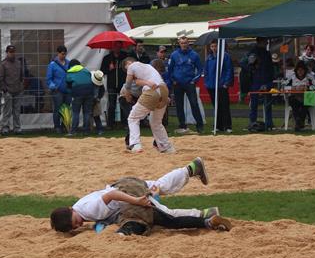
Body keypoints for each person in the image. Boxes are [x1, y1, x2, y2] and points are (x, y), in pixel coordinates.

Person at [49, 158, 231, 235]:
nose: (79, 224)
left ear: (71, 210)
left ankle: (204, 215)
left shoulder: (87, 210)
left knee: (166, 215)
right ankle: (191, 168)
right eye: (75, 227)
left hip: (126, 193)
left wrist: (136, 200)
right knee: (158, 186)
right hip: (125, 185)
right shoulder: (79, 207)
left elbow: (111, 196)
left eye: (75, 221)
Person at [121, 57, 173, 154]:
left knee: (133, 118)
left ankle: (135, 145)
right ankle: (166, 147)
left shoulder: (131, 67)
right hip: (164, 90)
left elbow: (128, 85)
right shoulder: (148, 67)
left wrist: (127, 94)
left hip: (152, 92)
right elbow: (139, 81)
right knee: (155, 122)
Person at [168, 36, 204, 134]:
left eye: (185, 43)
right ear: (179, 44)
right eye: (182, 43)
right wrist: (173, 80)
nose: (184, 45)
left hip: (189, 83)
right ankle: (182, 125)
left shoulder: (194, 55)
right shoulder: (174, 55)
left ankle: (199, 125)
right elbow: (170, 69)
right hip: (178, 84)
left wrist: (194, 80)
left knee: (194, 104)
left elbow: (200, 69)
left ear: (188, 43)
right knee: (179, 105)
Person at [0, 44, 28, 135]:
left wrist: (21, 86)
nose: (12, 54)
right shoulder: (3, 64)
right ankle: (5, 128)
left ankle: (17, 128)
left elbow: (22, 76)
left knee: (17, 111)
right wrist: (5, 90)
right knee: (7, 111)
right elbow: (0, 78)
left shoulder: (18, 63)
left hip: (18, 90)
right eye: (10, 52)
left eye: (13, 52)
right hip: (8, 91)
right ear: (7, 53)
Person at [204, 40, 233, 132]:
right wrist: (207, 83)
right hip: (211, 85)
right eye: (212, 46)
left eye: (215, 46)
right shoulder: (209, 58)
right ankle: (218, 126)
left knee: (224, 105)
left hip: (221, 84)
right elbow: (206, 71)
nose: (214, 48)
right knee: (216, 106)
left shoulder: (225, 56)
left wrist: (226, 83)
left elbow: (229, 69)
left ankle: (227, 126)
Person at [246, 37, 275, 130]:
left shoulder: (267, 53)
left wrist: (271, 80)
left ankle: (268, 124)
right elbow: (247, 66)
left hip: (266, 80)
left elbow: (271, 68)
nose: (267, 43)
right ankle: (253, 123)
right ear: (260, 41)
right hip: (256, 80)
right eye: (266, 41)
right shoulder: (252, 52)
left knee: (267, 104)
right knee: (254, 104)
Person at [100, 42, 129, 128]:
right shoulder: (107, 58)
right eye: (116, 46)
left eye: (119, 46)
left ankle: (124, 123)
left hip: (122, 84)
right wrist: (109, 69)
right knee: (112, 104)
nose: (117, 48)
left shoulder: (125, 57)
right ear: (112, 47)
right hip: (111, 84)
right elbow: (102, 71)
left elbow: (130, 67)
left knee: (123, 103)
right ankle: (110, 124)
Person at [284, 60, 315, 131]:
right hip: (295, 97)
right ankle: (299, 121)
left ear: (305, 70)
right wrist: (293, 88)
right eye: (298, 70)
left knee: (307, 102)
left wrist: (308, 88)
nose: (300, 72)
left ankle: (298, 121)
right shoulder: (291, 77)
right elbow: (282, 86)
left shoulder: (309, 77)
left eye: (302, 70)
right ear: (296, 70)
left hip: (307, 98)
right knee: (293, 101)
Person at [65, 59, 94, 135]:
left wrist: (71, 93)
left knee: (75, 112)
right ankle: (86, 131)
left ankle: (74, 131)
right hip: (89, 92)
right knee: (87, 112)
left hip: (77, 93)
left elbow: (68, 84)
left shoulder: (70, 72)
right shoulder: (86, 70)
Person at [46, 45, 70, 133]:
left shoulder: (69, 63)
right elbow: (49, 79)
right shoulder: (52, 64)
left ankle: (65, 125)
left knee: (66, 109)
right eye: (62, 54)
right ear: (58, 53)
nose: (64, 56)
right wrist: (53, 86)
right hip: (57, 91)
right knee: (57, 109)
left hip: (68, 90)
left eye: (65, 54)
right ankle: (57, 126)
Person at [90, 70, 106, 135]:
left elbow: (102, 91)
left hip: (95, 100)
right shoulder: (89, 81)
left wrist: (99, 98)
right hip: (89, 99)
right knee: (90, 115)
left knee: (96, 115)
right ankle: (90, 129)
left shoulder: (100, 84)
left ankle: (99, 129)